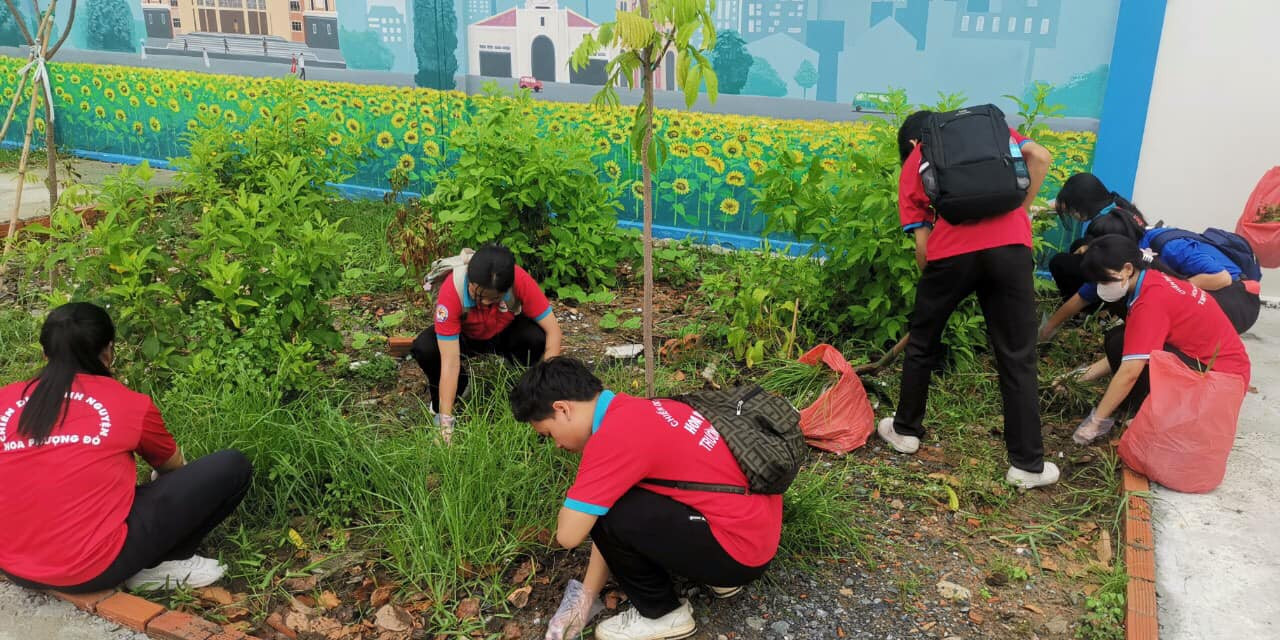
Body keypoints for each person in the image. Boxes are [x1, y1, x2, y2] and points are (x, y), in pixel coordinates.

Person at [510, 358, 780, 640]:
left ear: (563, 409)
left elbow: (569, 534)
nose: (556, 444)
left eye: (548, 433)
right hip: (756, 533)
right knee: (612, 503)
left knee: (611, 511)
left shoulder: (615, 435)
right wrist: (583, 599)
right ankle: (716, 577)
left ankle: (663, 615)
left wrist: (582, 485)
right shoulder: (646, 408)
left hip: (739, 553)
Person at [0, 303, 252, 593]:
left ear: (45, 353)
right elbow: (172, 469)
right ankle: (161, 565)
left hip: (12, 563)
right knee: (231, 467)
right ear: (108, 352)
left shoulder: (5, 398)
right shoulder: (130, 404)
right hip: (88, 570)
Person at [877, 110, 1059, 489]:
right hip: (1010, 250)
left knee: (923, 342)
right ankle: (1027, 465)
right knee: (1017, 355)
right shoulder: (997, 133)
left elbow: (923, 249)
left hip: (950, 254)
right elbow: (1039, 156)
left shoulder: (921, 151)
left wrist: (936, 290)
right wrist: (1018, 212)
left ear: (913, 142)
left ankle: (906, 431)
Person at [1070, 235, 1251, 444]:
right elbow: (1131, 351)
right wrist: (1077, 377)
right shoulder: (1153, 280)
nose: (1102, 287)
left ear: (1128, 269)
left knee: (1118, 340)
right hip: (1224, 373)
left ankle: (1145, 414)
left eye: (1104, 280)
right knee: (1120, 339)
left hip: (1218, 385)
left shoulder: (1151, 303)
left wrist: (1095, 422)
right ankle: (1146, 408)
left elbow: (1130, 371)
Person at [410, 244, 562, 437]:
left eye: (495, 298)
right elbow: (450, 362)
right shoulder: (453, 290)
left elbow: (553, 331)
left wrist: (546, 388)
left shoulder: (519, 279)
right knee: (425, 348)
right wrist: (445, 422)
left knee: (535, 337)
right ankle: (461, 388)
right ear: (469, 281)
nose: (485, 303)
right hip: (465, 338)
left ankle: (516, 377)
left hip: (503, 332)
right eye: (478, 296)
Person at [1047, 173, 1150, 302]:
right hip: (1134, 264)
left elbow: (1103, 263)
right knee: (1078, 244)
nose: (1071, 213)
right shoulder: (1117, 203)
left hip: (1119, 279)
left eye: (1073, 208)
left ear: (1083, 204)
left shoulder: (1104, 225)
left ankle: (1088, 307)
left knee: (1059, 262)